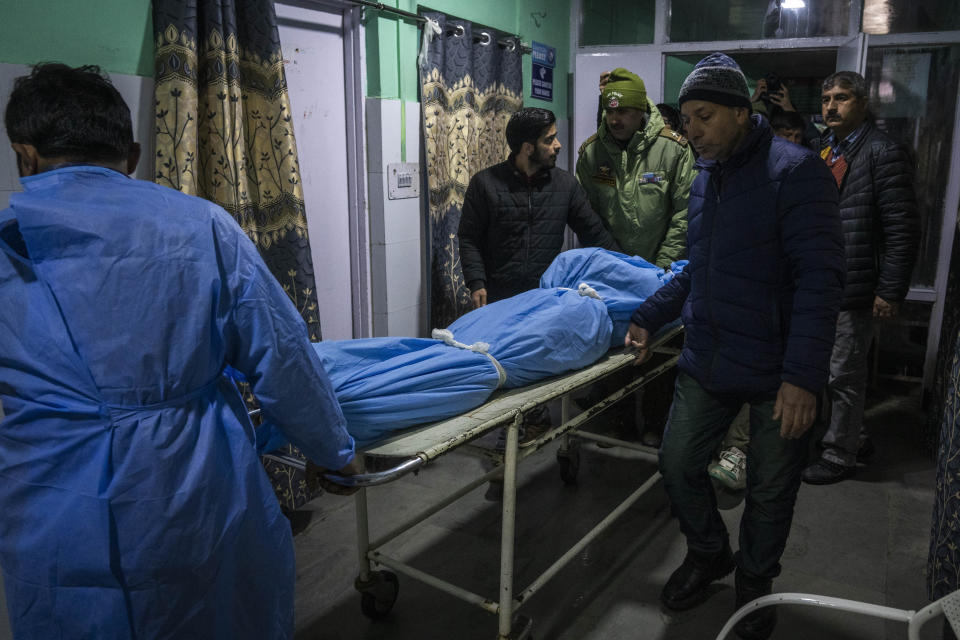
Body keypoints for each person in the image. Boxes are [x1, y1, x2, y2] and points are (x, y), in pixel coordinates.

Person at [0, 63, 361, 640]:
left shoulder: (6, 245)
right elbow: (282, 355)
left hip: (50, 492)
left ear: (24, 155)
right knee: (210, 611)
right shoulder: (201, 228)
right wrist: (334, 451)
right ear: (134, 153)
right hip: (187, 481)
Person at [625, 53, 844, 640]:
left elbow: (822, 282)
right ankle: (708, 553)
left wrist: (802, 377)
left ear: (742, 114)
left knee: (770, 493)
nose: (690, 130)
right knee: (676, 464)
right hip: (711, 356)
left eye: (703, 117)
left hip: (778, 370)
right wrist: (650, 315)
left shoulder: (796, 172)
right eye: (687, 118)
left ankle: (753, 587)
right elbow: (701, 267)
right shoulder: (706, 177)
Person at [458, 107, 618, 449]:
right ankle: (517, 427)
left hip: (546, 296)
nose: (558, 145)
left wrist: (624, 268)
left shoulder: (564, 185)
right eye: (550, 140)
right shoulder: (485, 185)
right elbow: (469, 237)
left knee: (538, 368)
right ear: (527, 147)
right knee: (504, 366)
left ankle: (531, 424)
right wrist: (476, 281)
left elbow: (593, 233)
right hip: (500, 294)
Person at [801, 70, 920, 485]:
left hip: (856, 286)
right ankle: (856, 436)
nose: (831, 106)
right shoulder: (825, 149)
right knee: (830, 372)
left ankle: (839, 455)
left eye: (842, 98)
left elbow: (902, 227)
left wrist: (889, 290)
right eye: (826, 98)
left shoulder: (882, 152)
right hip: (823, 284)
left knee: (843, 376)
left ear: (864, 104)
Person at [577, 69, 697, 447]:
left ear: (642, 110)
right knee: (613, 348)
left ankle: (657, 424)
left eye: (625, 112)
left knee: (661, 353)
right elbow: (586, 214)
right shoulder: (592, 152)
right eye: (610, 112)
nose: (616, 119)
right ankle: (616, 419)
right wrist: (611, 263)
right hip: (612, 272)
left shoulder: (673, 150)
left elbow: (684, 213)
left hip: (662, 271)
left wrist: (660, 268)